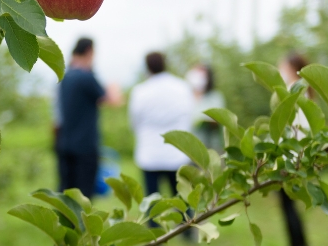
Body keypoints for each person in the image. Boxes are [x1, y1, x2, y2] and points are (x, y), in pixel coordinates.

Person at [128, 52, 196, 204]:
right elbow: (189, 116)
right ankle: (187, 227)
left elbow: (134, 122)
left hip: (149, 153)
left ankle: (153, 228)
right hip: (178, 152)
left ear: (147, 67)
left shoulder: (140, 91)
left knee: (151, 204)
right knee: (183, 199)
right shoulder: (182, 87)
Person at [54, 38, 118, 197]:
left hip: (64, 143)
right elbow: (112, 100)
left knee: (65, 191)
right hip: (85, 146)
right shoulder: (86, 77)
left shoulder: (64, 77)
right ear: (89, 51)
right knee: (84, 193)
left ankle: (63, 222)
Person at [276, 51, 311, 246]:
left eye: (282, 67)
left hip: (290, 156)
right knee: (289, 203)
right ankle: (299, 245)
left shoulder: (294, 91)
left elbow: (294, 129)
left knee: (287, 203)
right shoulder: (304, 90)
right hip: (295, 155)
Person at [187, 63, 226, 152]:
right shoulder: (186, 96)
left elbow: (219, 120)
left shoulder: (215, 96)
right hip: (190, 148)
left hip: (210, 147)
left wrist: (203, 120)